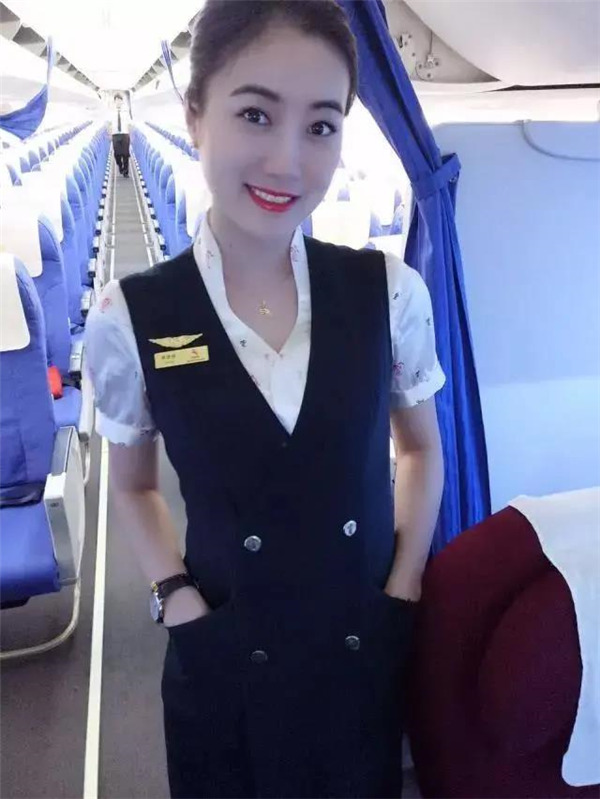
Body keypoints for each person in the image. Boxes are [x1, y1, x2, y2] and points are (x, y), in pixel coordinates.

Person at [85, 1, 446, 796]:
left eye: (320, 126)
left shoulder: (390, 293)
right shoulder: (129, 315)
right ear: (195, 115)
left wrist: (405, 582)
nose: (288, 161)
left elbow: (421, 448)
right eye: (255, 114)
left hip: (359, 646)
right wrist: (175, 596)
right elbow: (134, 485)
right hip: (223, 651)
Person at [110, 93, 130, 177]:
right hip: (115, 134)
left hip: (125, 134)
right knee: (117, 154)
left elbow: (129, 122)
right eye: (117, 100)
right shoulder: (111, 112)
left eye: (120, 100)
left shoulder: (126, 111)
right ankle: (120, 166)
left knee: (125, 154)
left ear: (122, 101)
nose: (118, 102)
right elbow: (109, 123)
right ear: (114, 102)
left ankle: (126, 171)